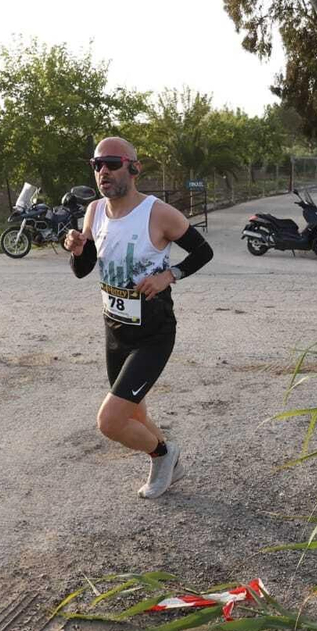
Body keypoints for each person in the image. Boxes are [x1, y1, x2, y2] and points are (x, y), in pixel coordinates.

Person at [61, 137, 214, 499]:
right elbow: (83, 270)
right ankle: (168, 464)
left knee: (110, 422)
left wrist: (168, 275)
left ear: (134, 167)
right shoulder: (95, 211)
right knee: (134, 413)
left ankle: (163, 454)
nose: (103, 172)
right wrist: (78, 250)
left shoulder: (158, 213)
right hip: (115, 331)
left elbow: (203, 251)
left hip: (153, 332)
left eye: (112, 163)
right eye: (96, 165)